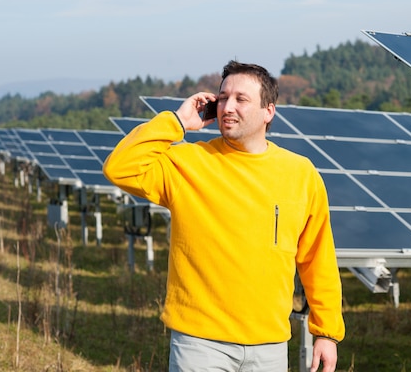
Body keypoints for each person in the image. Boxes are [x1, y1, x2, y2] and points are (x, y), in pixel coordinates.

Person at [103, 60, 345, 371]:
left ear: (268, 111)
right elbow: (119, 167)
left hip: (270, 346)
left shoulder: (301, 174)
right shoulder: (188, 163)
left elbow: (317, 257)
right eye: (223, 97)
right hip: (200, 344)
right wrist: (176, 122)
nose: (227, 107)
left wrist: (326, 332)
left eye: (241, 99)